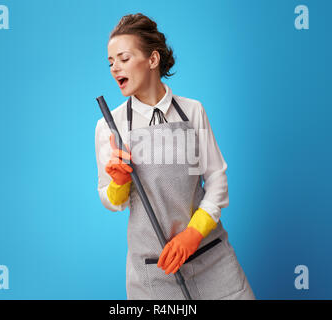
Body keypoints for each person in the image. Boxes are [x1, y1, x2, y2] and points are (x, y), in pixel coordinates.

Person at [95, 13, 255, 300]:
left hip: (210, 256)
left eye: (123, 58)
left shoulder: (192, 111)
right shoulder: (111, 125)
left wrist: (193, 234)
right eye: (110, 62)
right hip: (156, 268)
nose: (114, 68)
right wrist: (118, 184)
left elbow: (217, 180)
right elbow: (110, 201)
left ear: (152, 60)